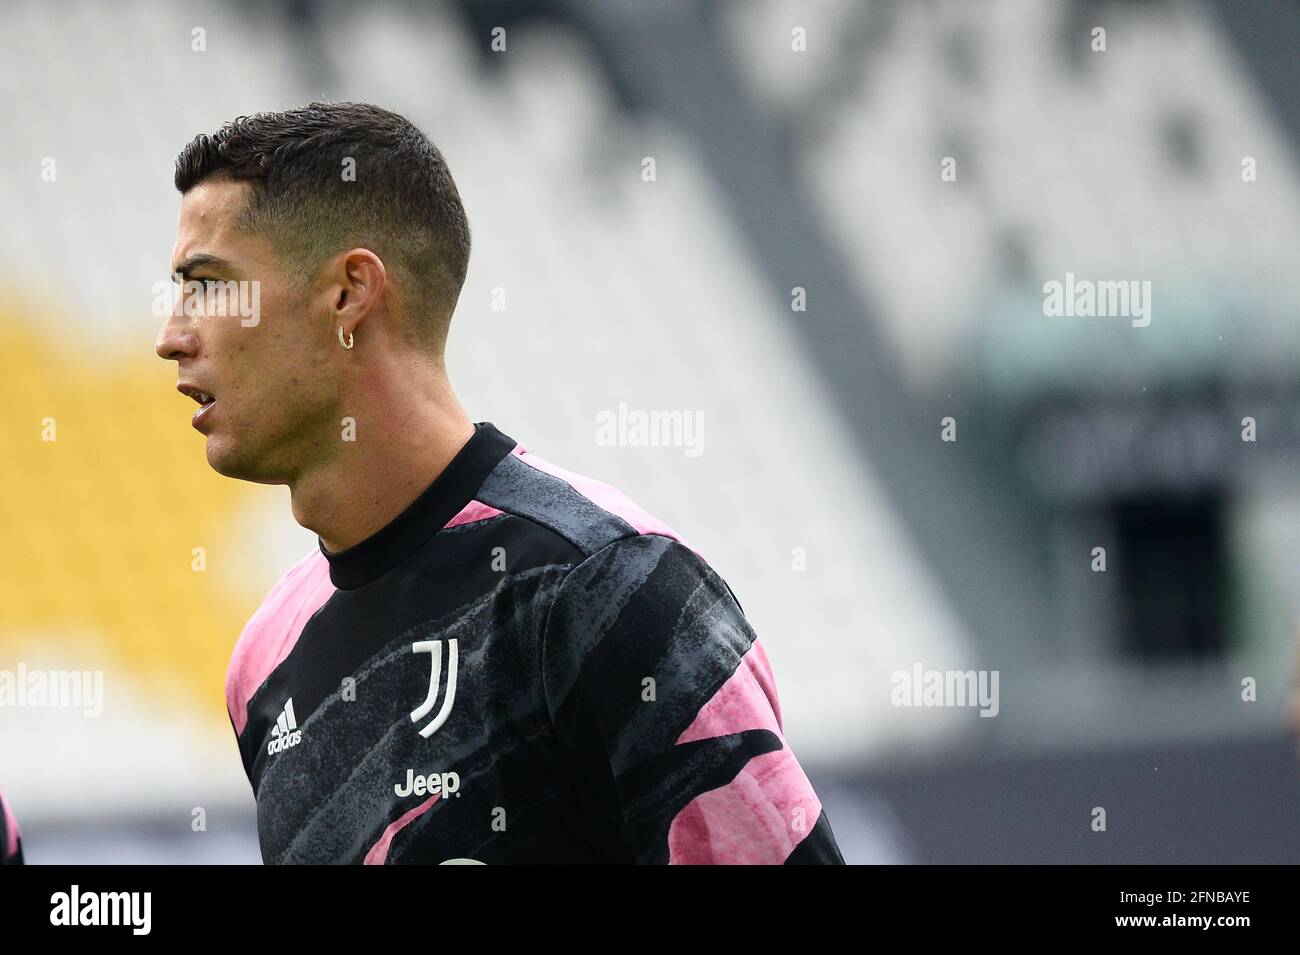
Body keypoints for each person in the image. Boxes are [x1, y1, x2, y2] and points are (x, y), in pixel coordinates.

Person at [155, 102, 843, 864]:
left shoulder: (607, 585)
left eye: (209, 286)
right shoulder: (264, 664)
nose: (170, 336)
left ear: (349, 292)